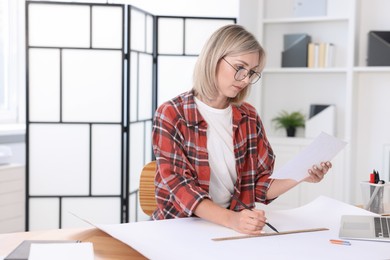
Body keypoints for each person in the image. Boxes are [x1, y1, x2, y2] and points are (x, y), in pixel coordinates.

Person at [151, 24, 332, 235]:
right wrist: (233, 220)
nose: (246, 79)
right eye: (240, 68)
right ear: (214, 58)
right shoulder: (172, 113)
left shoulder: (248, 116)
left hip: (229, 229)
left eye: (252, 72)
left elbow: (258, 185)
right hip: (178, 227)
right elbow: (179, 186)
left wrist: (302, 175)